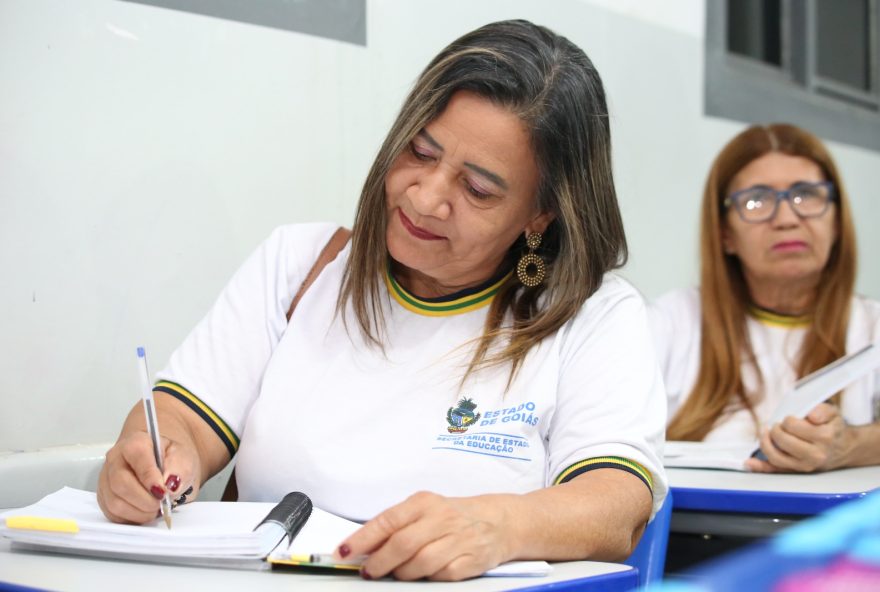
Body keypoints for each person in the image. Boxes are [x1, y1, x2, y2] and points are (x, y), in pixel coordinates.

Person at [98, 19, 667, 581]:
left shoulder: (592, 316)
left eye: (478, 189)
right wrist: (154, 458)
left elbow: (615, 505)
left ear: (540, 214)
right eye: (420, 152)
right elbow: (185, 420)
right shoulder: (299, 266)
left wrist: (498, 526)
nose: (426, 197)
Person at [651, 123, 880, 473]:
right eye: (756, 201)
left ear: (836, 222)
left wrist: (852, 446)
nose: (787, 219)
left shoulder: (872, 328)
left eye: (806, 195)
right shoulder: (673, 319)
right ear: (725, 234)